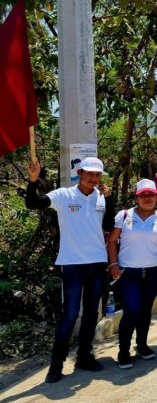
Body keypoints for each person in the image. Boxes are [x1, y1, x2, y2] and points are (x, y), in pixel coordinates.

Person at [25, 157, 115, 383]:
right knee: (70, 314)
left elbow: (107, 225)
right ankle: (56, 366)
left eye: (97, 175)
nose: (94, 178)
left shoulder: (100, 197)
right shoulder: (63, 195)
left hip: (97, 263)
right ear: (80, 172)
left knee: (92, 313)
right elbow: (33, 203)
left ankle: (84, 357)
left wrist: (110, 200)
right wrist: (33, 181)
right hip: (73, 264)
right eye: (90, 173)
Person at [106, 179, 157, 369]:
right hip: (129, 273)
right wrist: (113, 264)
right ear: (137, 198)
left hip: (153, 272)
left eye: (151, 194)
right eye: (143, 195)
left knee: (145, 311)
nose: (147, 198)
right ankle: (123, 351)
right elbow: (112, 241)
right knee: (132, 310)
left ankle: (142, 346)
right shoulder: (124, 215)